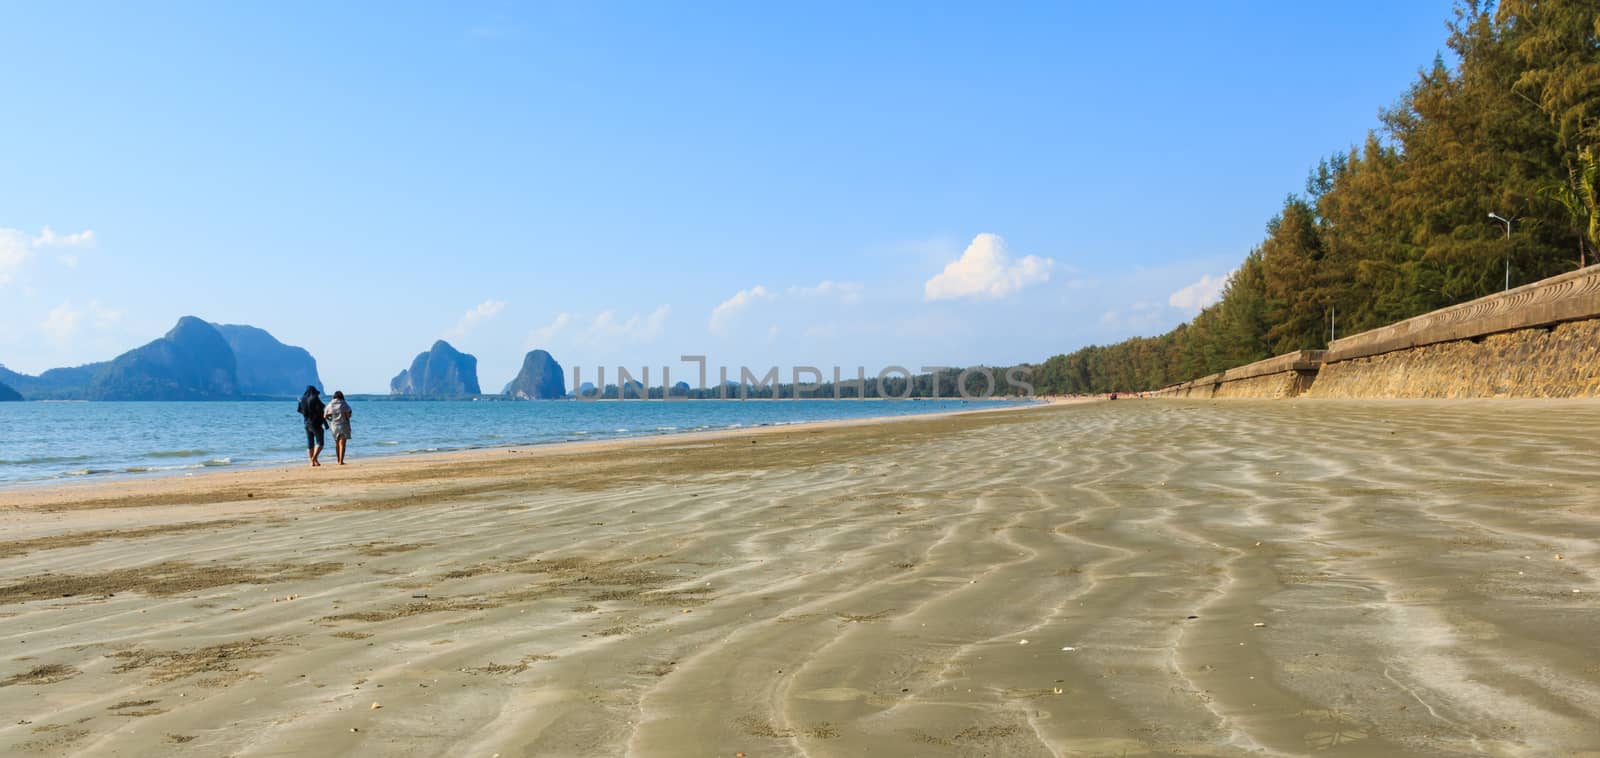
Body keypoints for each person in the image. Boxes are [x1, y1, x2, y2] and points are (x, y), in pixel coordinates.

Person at [296, 385, 328, 467]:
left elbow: (299, 411)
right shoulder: (314, 398)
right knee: (320, 442)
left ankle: (313, 461)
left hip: (306, 423)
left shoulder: (302, 400)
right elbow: (323, 407)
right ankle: (313, 459)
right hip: (315, 423)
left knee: (310, 443)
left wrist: (307, 413)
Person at [324, 390, 353, 465]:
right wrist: (348, 417)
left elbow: (325, 416)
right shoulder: (344, 403)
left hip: (334, 426)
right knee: (342, 444)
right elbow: (348, 415)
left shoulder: (330, 404)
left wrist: (331, 419)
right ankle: (341, 461)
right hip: (343, 425)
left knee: (336, 443)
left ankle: (337, 460)